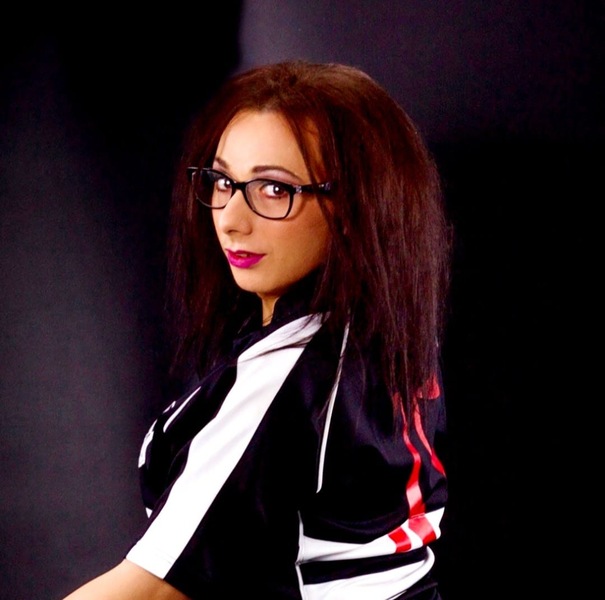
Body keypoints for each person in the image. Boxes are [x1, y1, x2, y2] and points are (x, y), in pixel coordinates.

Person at [61, 60, 451, 600]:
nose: (229, 218)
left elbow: (148, 591)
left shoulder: (289, 371)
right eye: (223, 181)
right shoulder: (387, 333)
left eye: (273, 188)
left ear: (354, 205)